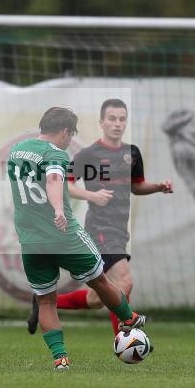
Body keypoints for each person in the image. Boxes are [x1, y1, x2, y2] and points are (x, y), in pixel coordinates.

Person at [8, 107, 145, 371]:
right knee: (101, 281)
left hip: (31, 240)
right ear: (64, 131)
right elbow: (54, 179)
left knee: (46, 300)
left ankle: (60, 359)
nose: (69, 141)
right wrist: (59, 209)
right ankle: (128, 318)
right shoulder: (55, 153)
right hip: (63, 236)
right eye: (70, 136)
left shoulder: (17, 150)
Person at [30, 98, 172, 336]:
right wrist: (92, 196)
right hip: (100, 228)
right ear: (102, 122)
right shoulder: (89, 154)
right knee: (125, 281)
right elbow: (66, 185)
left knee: (97, 298)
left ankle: (44, 301)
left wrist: (158, 187)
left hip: (119, 229)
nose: (118, 124)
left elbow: (137, 186)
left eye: (122, 119)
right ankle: (125, 339)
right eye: (112, 119)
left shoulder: (132, 153)